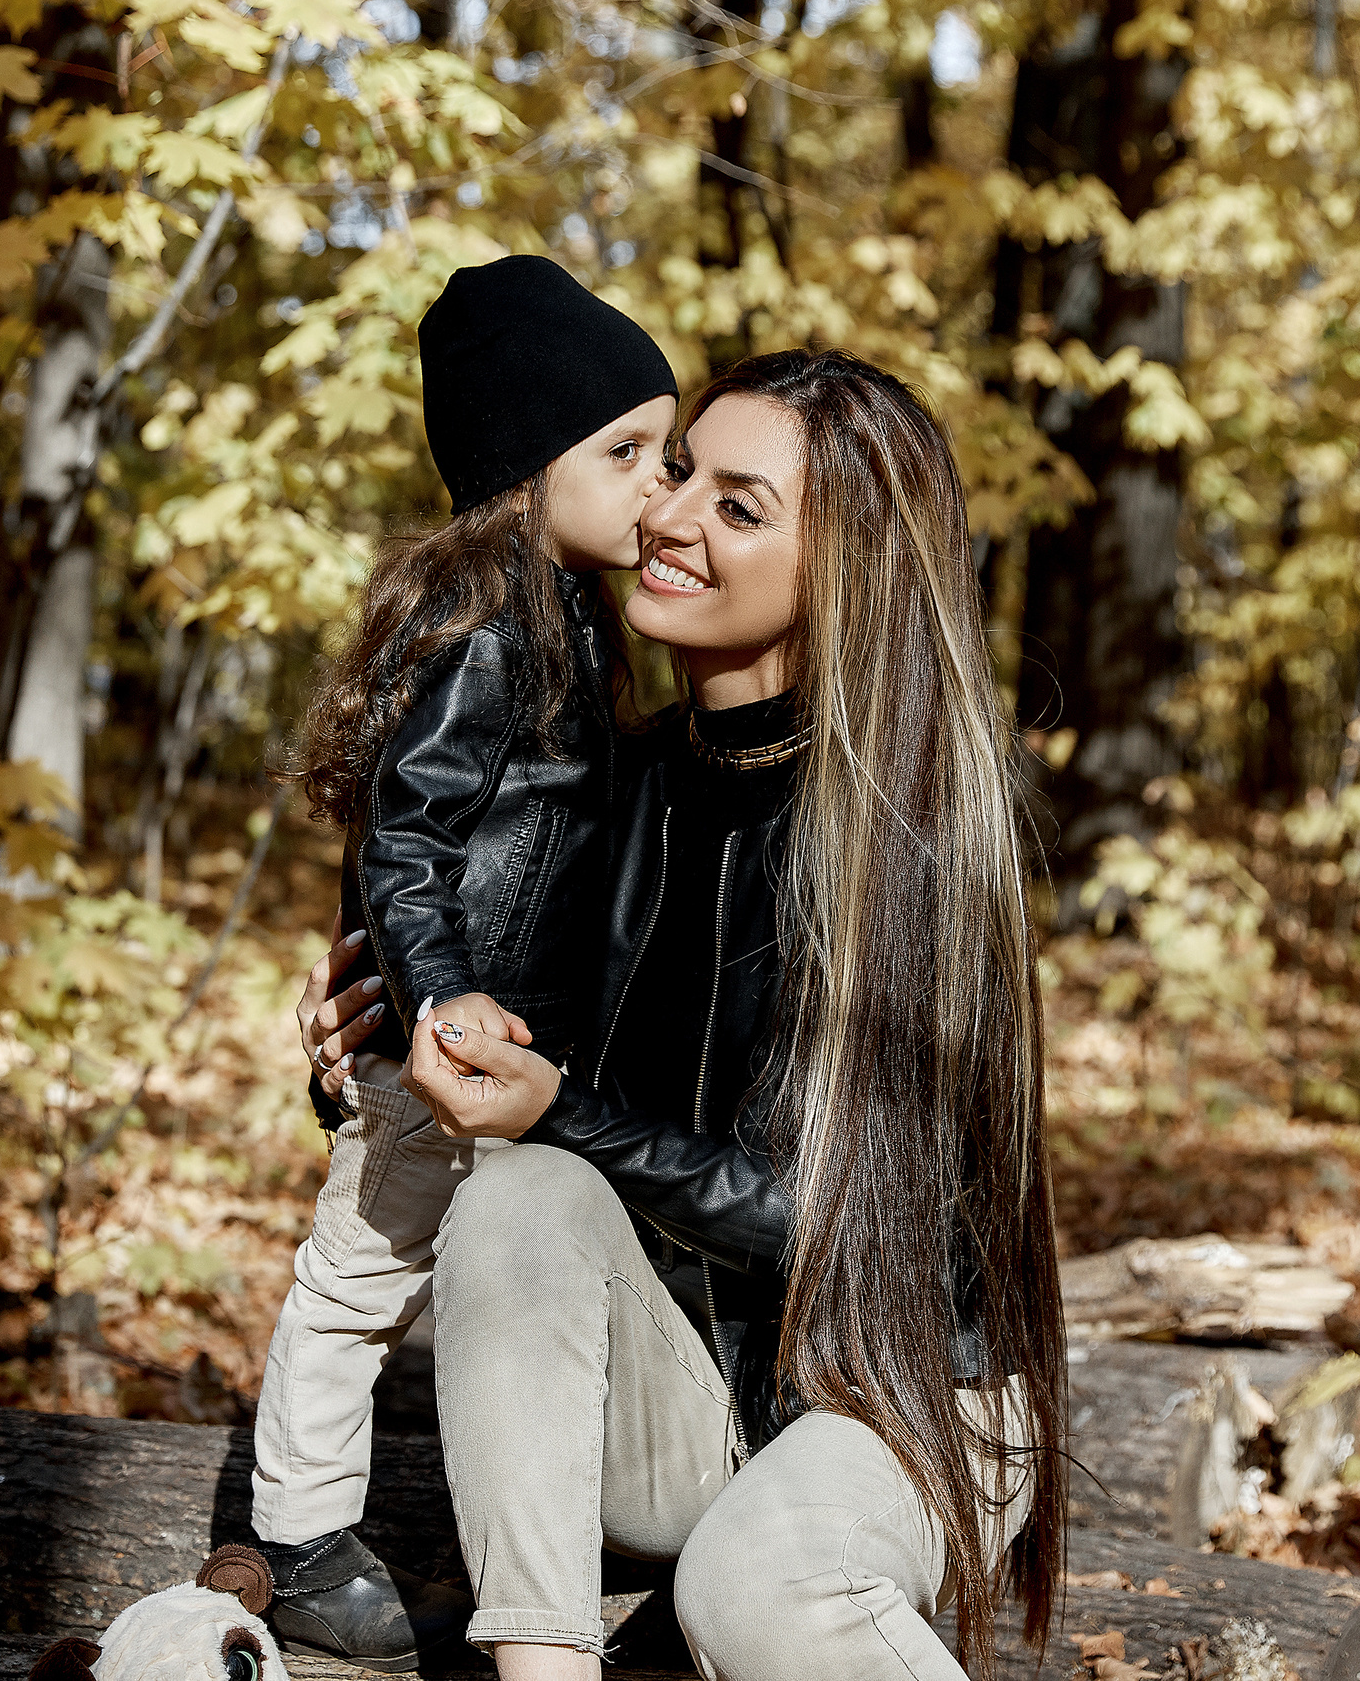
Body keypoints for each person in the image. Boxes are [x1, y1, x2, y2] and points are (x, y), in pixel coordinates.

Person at [301, 349, 1068, 1681]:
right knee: (518, 1199)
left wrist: (557, 1111)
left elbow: (835, 1224)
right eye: (675, 473)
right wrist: (377, 1049)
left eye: (737, 505)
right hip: (682, 1398)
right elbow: (494, 1081)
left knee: (758, 1583)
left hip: (906, 1394)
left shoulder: (916, 838)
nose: (667, 517)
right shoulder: (601, 787)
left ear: (847, 569)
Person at [248, 253, 678, 1672]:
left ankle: (540, 1505)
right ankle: (299, 1534)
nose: (658, 487)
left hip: (512, 1045)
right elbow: (405, 838)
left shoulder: (574, 624)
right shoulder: (491, 636)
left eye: (667, 453)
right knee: (362, 1274)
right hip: (448, 1046)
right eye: (625, 453)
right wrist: (429, 996)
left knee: (489, 1278)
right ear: (523, 471)